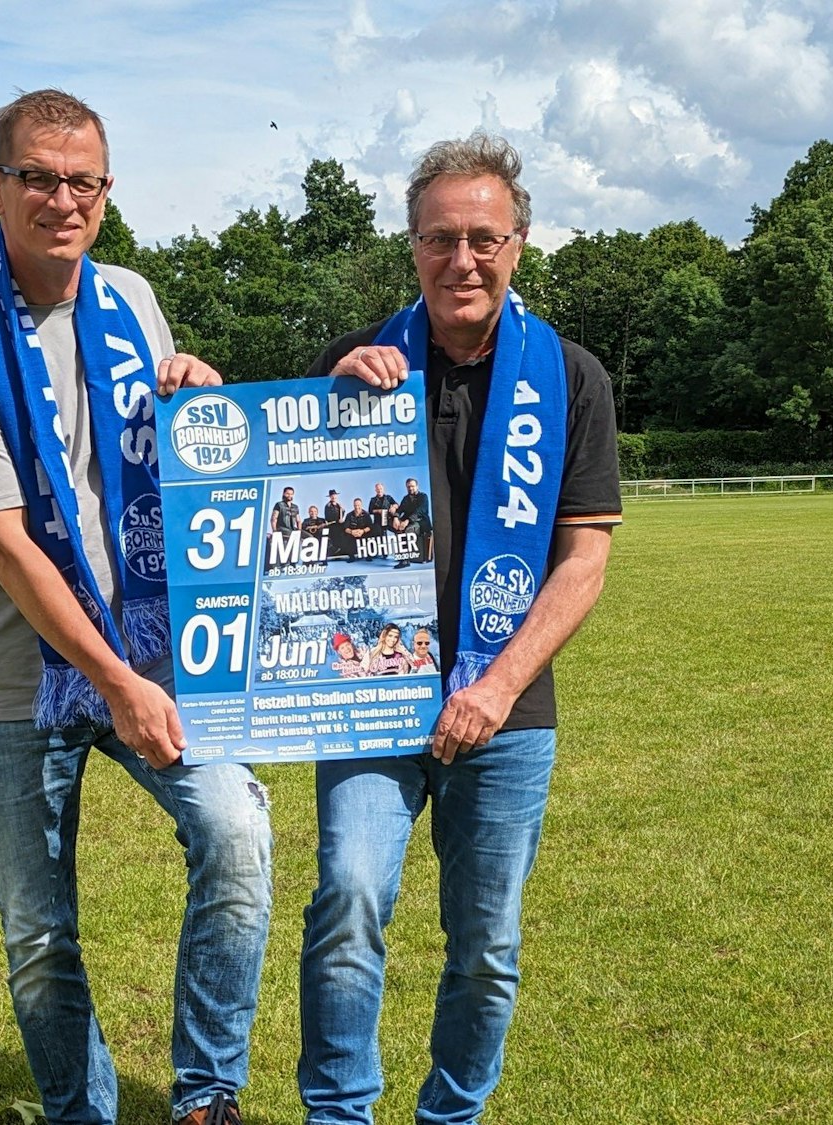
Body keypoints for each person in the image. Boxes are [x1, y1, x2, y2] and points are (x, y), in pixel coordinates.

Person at [0, 88, 270, 1125]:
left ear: (104, 194)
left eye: (83, 181)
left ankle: (203, 1100)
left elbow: (167, 461)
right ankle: (82, 1113)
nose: (60, 199)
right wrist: (113, 684)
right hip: (15, 677)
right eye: (37, 177)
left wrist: (200, 397)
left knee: (235, 833)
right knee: (37, 933)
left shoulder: (134, 299)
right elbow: (6, 544)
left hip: (152, 655)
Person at [295, 133, 622, 1125]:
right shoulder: (354, 368)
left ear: (518, 245)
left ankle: (450, 1116)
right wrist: (324, 409)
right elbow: (288, 533)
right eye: (440, 239)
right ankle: (337, 1116)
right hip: (366, 697)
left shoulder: (569, 378)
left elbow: (584, 559)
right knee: (346, 904)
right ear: (412, 249)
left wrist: (492, 688)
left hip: (504, 712)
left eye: (482, 238)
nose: (461, 260)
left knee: (485, 946)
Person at [391, 477, 430, 568]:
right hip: (408, 521)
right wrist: (396, 518)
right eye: (408, 487)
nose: (410, 488)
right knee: (394, 527)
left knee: (407, 530)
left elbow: (420, 511)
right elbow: (400, 509)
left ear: (417, 486)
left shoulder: (423, 496)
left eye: (412, 486)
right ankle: (401, 555)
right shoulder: (406, 498)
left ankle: (405, 561)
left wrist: (407, 521)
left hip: (421, 522)